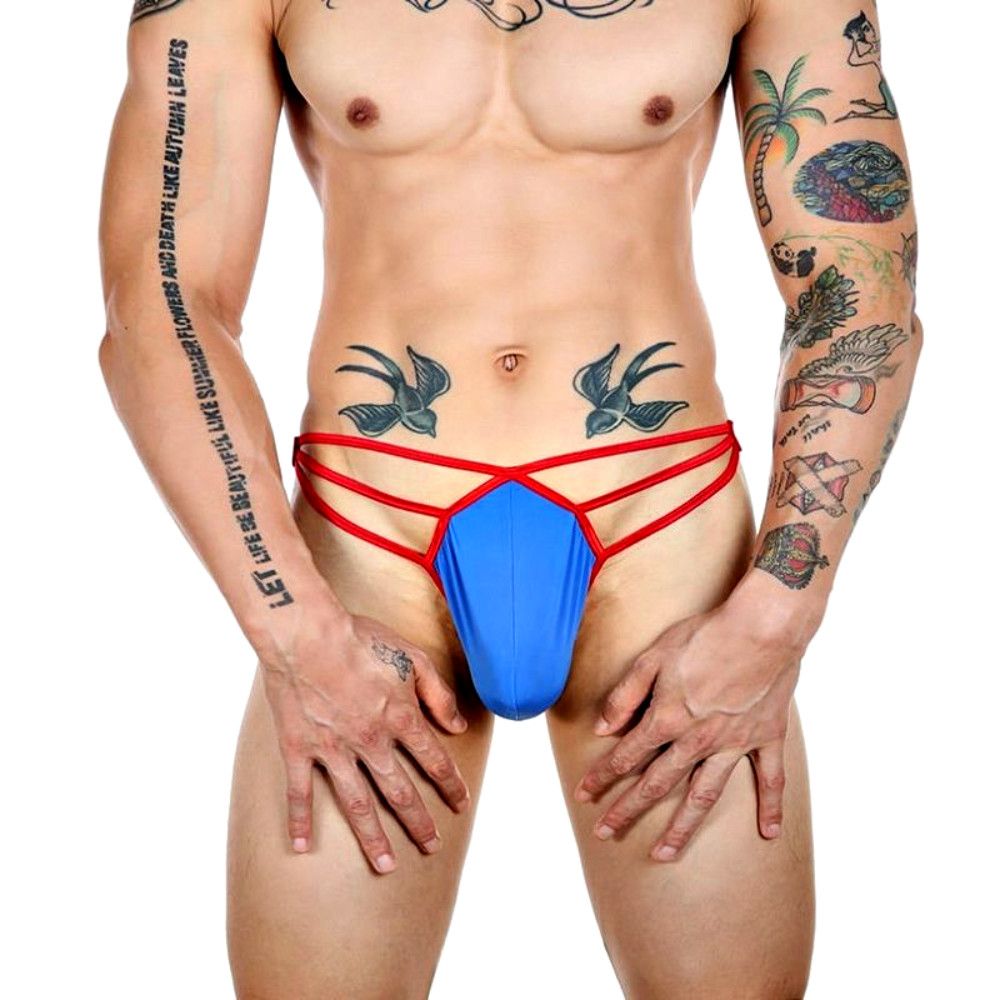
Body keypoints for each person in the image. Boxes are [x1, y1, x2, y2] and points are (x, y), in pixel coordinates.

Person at [99, 0, 920, 996]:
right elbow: (161, 302)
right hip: (372, 525)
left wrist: (777, 616)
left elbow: (856, 283)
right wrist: (295, 633)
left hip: (657, 514)